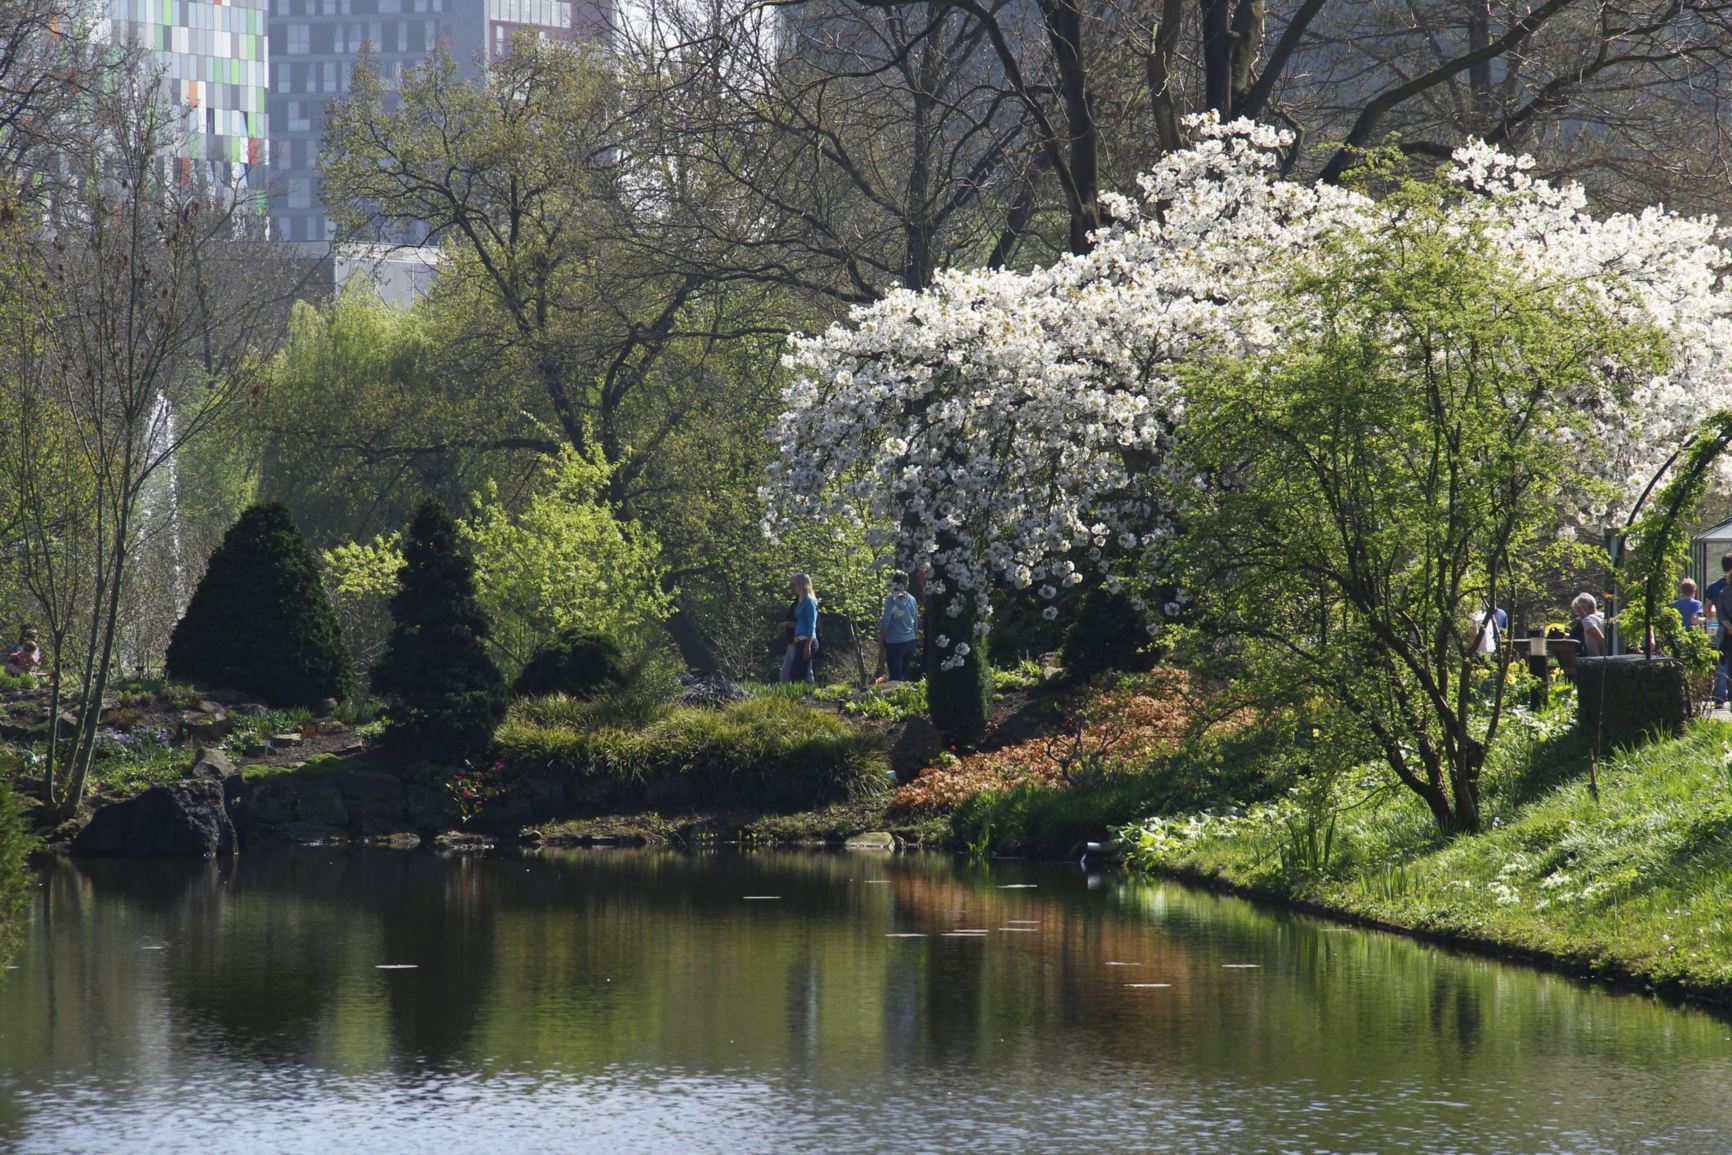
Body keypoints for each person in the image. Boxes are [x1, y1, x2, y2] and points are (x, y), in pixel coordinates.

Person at [879, 570, 919, 681]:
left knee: (895, 679)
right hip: (910, 641)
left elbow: (886, 620)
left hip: (895, 643)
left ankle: (897, 697)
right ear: (906, 584)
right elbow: (915, 621)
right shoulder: (912, 599)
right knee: (904, 677)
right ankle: (905, 697)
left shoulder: (891, 599)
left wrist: (881, 639)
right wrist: (914, 638)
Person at [1572, 592, 1606, 657]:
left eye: (1578, 610)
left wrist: (1603, 660)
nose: (1578, 613)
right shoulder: (1605, 616)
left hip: (1596, 660)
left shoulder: (1587, 620)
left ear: (1582, 608)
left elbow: (1601, 639)